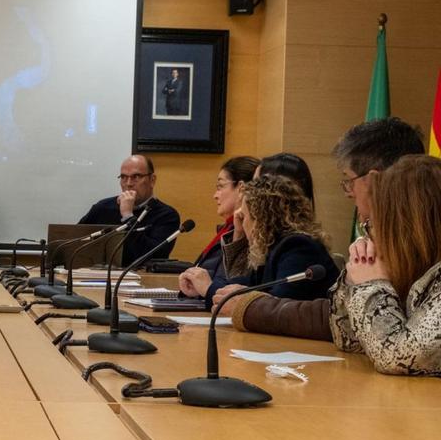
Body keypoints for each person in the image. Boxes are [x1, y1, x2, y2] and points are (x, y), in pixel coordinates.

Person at [221, 117, 426, 342]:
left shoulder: (418, 243)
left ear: (373, 181)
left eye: (349, 181)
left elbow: (355, 325)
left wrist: (249, 308)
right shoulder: (379, 237)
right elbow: (339, 314)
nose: (348, 192)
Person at [331, 155, 441, 374]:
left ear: (405, 229)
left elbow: (397, 357)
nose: (369, 233)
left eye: (372, 224)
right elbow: (349, 340)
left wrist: (371, 287)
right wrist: (355, 277)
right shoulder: (418, 269)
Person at [179, 175, 338, 309]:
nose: (242, 223)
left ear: (261, 219)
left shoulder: (298, 247)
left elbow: (279, 306)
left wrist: (208, 289)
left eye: (245, 217)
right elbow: (245, 284)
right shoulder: (273, 247)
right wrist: (202, 286)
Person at [79, 155, 180, 264]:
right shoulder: (103, 207)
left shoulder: (167, 215)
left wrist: (127, 215)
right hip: (96, 275)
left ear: (152, 180)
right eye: (123, 177)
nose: (128, 184)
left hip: (142, 278)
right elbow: (75, 241)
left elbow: (151, 256)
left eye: (136, 177)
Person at [192, 156, 260, 283]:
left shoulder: (253, 233)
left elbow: (228, 282)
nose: (215, 196)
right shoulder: (226, 229)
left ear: (241, 188)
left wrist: (237, 236)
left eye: (220, 186)